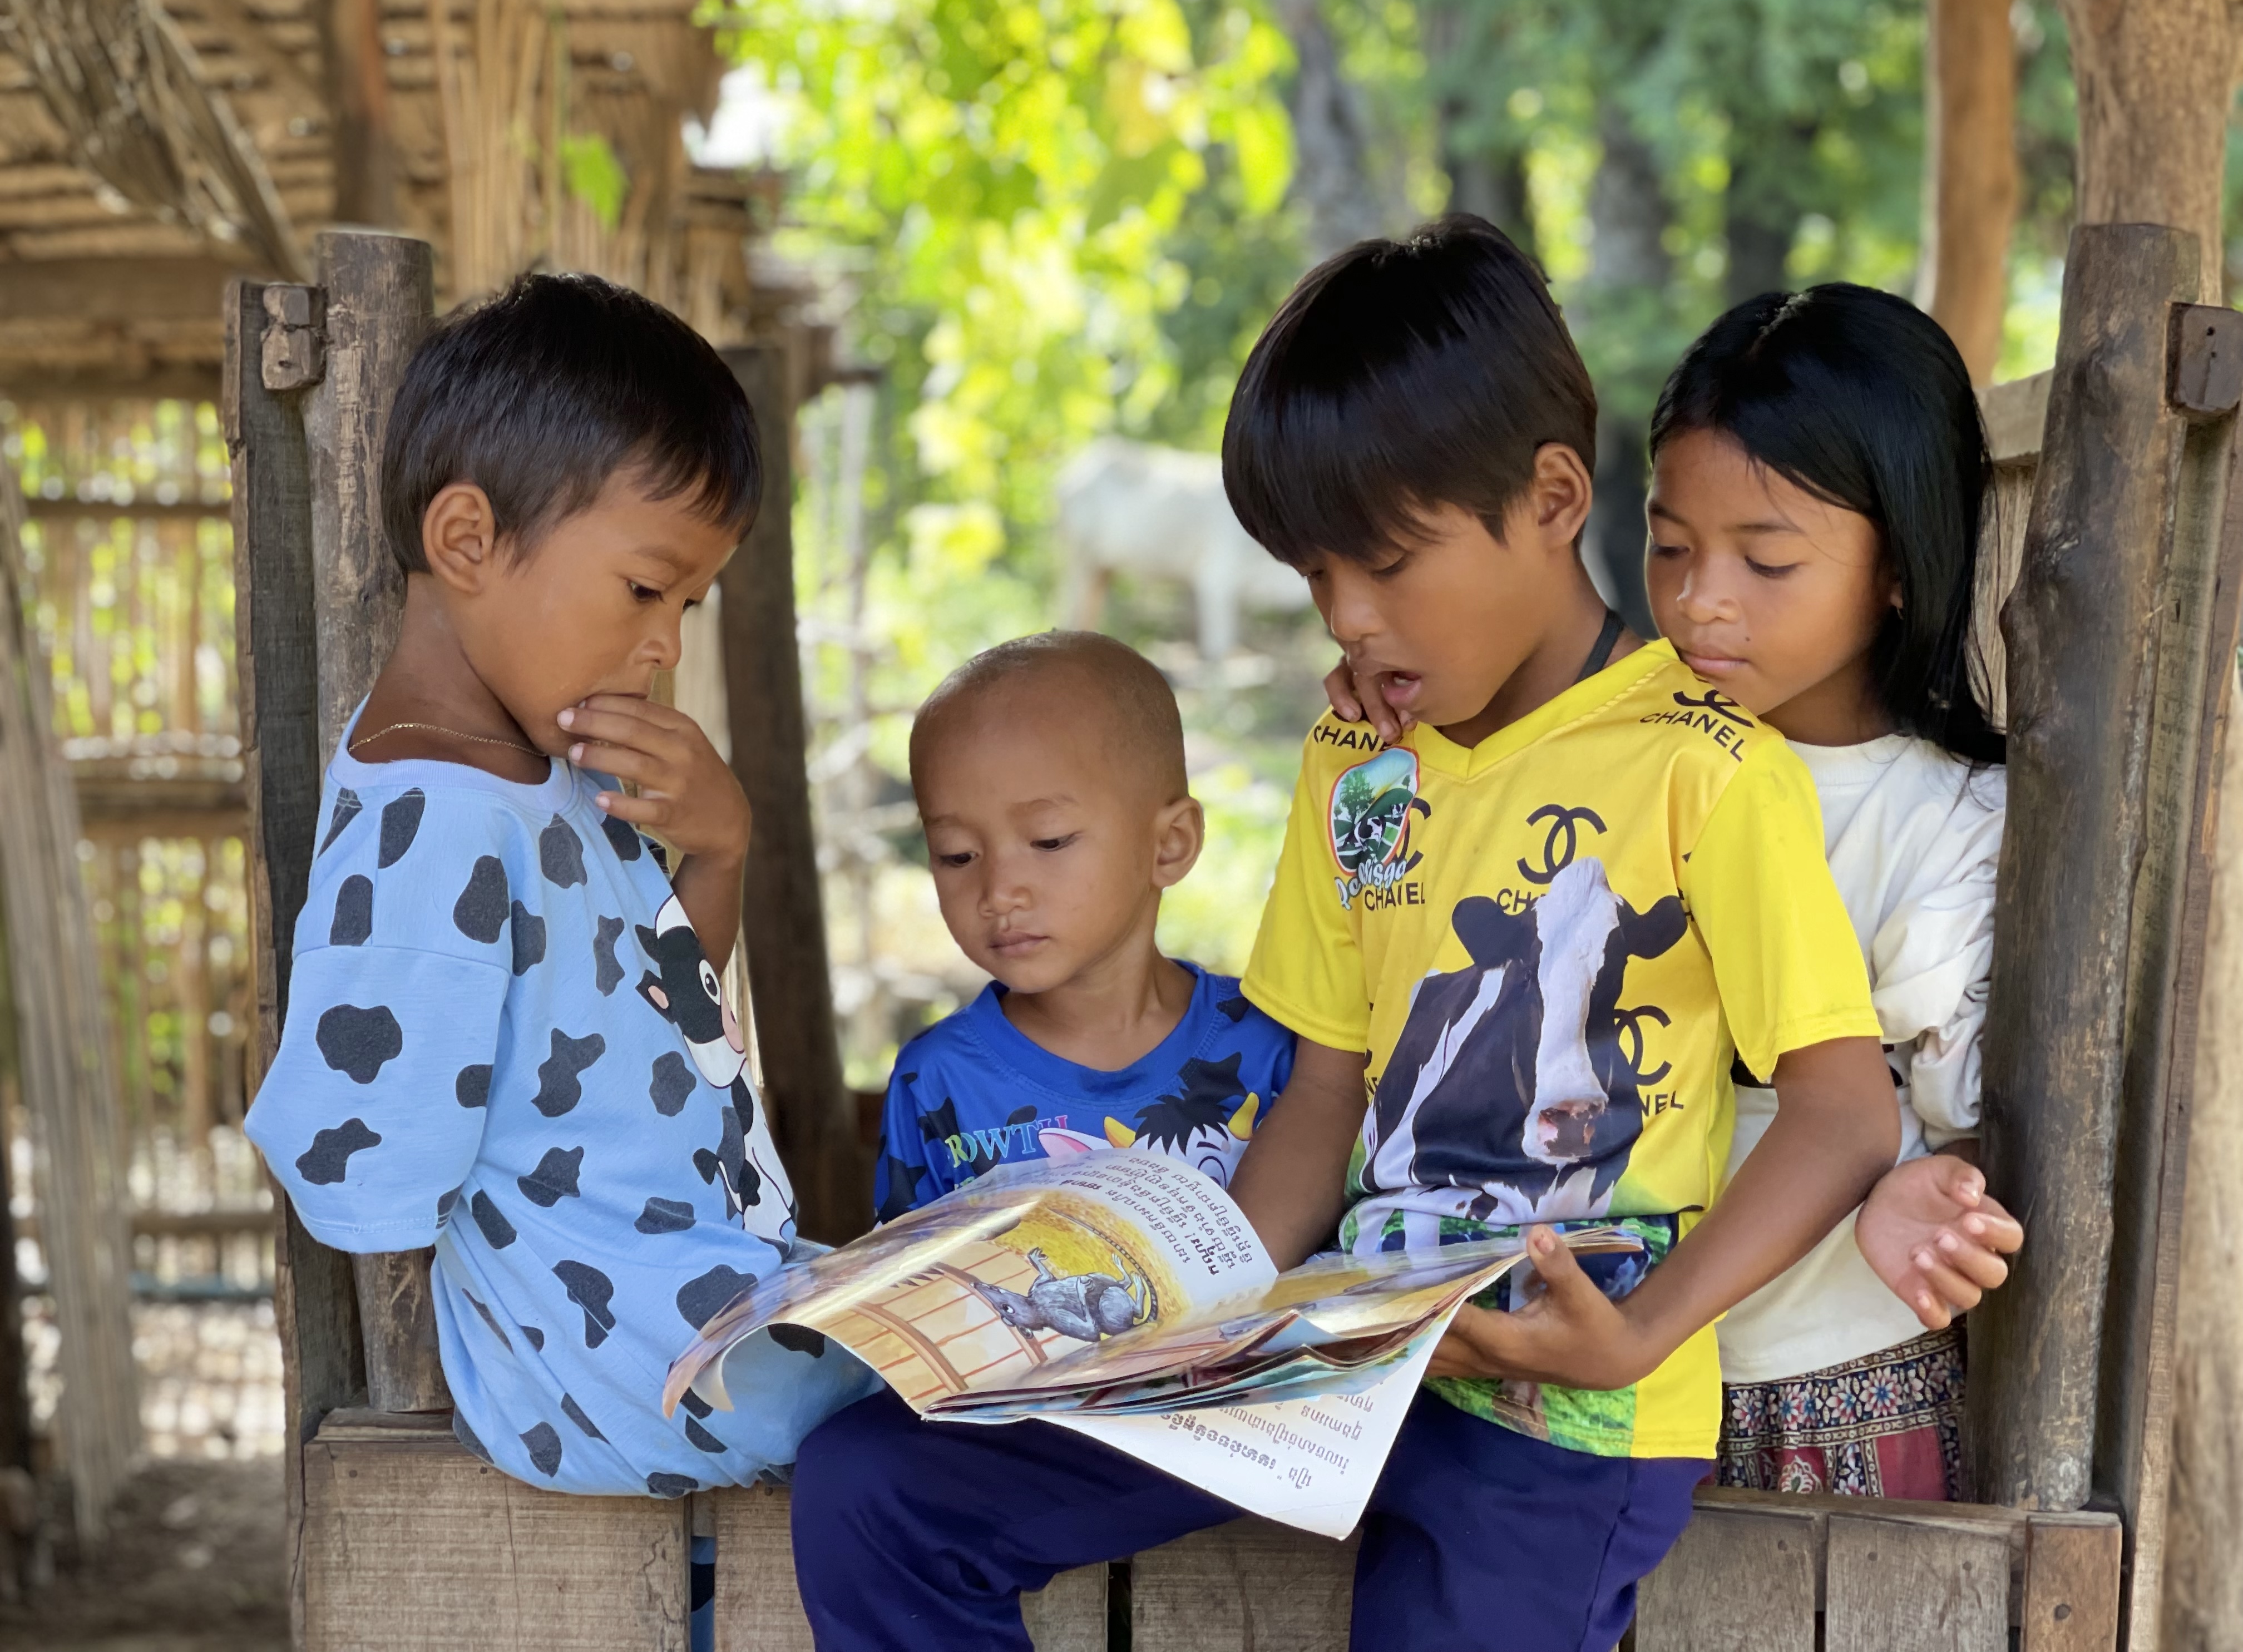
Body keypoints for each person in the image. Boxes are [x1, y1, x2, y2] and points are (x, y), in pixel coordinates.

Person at [788, 217, 2002, 1652]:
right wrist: (1184, 1318)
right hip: (1341, 1358)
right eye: (1316, 579)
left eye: (1389, 565)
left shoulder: (1704, 760)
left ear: (1555, 499)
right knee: (874, 1490)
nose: (1352, 619)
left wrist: (1638, 1332)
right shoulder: (1358, 761)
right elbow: (1324, 1088)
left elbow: (1845, 1112)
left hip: (1564, 1404)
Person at [241, 273, 880, 1505]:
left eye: (690, 603)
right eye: (648, 589)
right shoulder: (438, 818)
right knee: (951, 1390)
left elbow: (674, 1032)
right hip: (606, 1359)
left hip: (691, 1296)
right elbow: (352, 1165)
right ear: (467, 541)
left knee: (952, 1339)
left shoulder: (550, 778)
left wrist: (719, 854)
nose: (666, 644)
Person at [1639, 285, 2022, 1496]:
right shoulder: (1620, 745)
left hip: (1831, 1394)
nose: (1703, 598)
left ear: (1900, 567)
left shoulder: (1944, 821)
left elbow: (1974, 1120)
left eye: (1766, 560)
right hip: (1607, 1391)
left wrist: (1920, 1179)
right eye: (1669, 546)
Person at [871, 631, 1294, 1223]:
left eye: (1049, 841)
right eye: (957, 854)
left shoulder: (1271, 1046)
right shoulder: (938, 1080)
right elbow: (907, 1291)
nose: (999, 892)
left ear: (1168, 846)